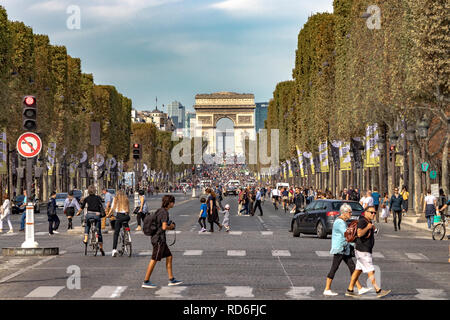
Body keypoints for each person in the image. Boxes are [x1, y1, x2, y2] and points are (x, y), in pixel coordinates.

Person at [323, 204, 370, 296]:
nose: (351, 214)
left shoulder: (342, 221)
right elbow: (347, 234)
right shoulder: (340, 222)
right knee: (334, 268)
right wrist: (356, 242)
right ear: (344, 213)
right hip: (340, 249)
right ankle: (327, 289)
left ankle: (359, 288)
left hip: (344, 248)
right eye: (349, 212)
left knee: (352, 267)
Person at [346, 206, 390, 298]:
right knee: (371, 270)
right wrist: (368, 227)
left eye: (375, 212)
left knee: (358, 270)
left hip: (362, 250)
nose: (373, 214)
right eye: (371, 212)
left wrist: (372, 228)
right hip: (363, 250)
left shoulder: (367, 221)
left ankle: (350, 289)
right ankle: (378, 290)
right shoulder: (363, 221)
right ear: (366, 212)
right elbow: (359, 233)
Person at [142, 195, 182, 288]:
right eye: (173, 202)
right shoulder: (164, 213)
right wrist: (171, 227)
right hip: (158, 239)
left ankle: (171, 279)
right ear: (170, 203)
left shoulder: (160, 210)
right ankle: (146, 280)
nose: (174, 204)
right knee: (154, 259)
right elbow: (164, 227)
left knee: (169, 256)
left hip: (159, 239)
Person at [76, 185, 105, 256]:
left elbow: (82, 207)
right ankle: (101, 247)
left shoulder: (87, 198)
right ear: (95, 191)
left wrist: (78, 213)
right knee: (99, 231)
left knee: (87, 225)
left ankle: (86, 238)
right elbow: (102, 203)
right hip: (97, 215)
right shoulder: (98, 197)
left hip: (89, 215)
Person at [109, 190, 131, 257]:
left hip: (119, 216)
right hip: (126, 216)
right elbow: (128, 210)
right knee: (126, 225)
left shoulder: (115, 199)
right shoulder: (126, 199)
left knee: (116, 232)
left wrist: (108, 215)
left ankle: (114, 249)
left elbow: (112, 208)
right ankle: (128, 234)